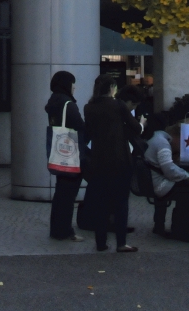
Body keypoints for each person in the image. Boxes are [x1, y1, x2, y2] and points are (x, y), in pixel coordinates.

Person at [81, 74, 144, 252]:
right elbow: (136, 128)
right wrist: (142, 123)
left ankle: (101, 242)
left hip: (98, 160)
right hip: (120, 160)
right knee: (120, 202)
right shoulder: (118, 105)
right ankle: (121, 242)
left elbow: (89, 133)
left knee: (101, 203)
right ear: (112, 88)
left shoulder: (89, 107)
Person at [143, 112, 189, 242]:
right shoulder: (162, 143)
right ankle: (183, 228)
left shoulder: (153, 139)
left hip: (154, 182)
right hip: (161, 185)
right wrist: (188, 176)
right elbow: (169, 169)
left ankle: (182, 226)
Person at [45, 70, 85, 242]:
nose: (74, 87)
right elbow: (79, 125)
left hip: (58, 152)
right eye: (72, 83)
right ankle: (64, 230)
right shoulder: (67, 103)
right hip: (71, 154)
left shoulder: (53, 100)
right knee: (68, 194)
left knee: (60, 193)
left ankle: (57, 228)